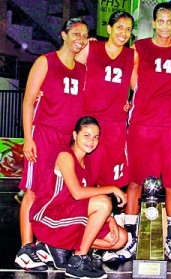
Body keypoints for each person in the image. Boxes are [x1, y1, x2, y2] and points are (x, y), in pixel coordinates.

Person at [117, 2, 171, 262]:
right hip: (142, 123)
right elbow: (130, 79)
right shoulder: (139, 48)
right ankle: (129, 237)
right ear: (153, 23)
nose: (164, 25)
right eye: (159, 21)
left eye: (168, 21)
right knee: (135, 182)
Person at [14, 18, 89, 271]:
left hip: (66, 140)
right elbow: (27, 102)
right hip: (44, 135)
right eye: (76, 33)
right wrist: (28, 138)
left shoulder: (82, 70)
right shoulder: (45, 61)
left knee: (55, 192)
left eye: (84, 35)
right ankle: (26, 247)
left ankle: (46, 244)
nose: (80, 38)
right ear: (63, 35)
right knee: (33, 189)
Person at [29, 116, 127, 279]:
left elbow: (86, 199)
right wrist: (113, 188)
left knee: (119, 238)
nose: (91, 141)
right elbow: (77, 193)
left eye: (95, 137)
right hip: (49, 218)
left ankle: (62, 248)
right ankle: (78, 260)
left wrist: (110, 219)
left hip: (71, 217)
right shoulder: (65, 156)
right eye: (86, 135)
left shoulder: (87, 163)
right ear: (75, 135)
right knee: (103, 201)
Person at [75, 11, 137, 263]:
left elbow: (140, 86)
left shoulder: (132, 55)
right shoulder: (92, 49)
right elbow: (68, 69)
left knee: (115, 180)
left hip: (115, 126)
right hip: (91, 126)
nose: (123, 32)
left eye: (128, 28)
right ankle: (82, 232)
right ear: (109, 28)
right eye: (119, 27)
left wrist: (130, 102)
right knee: (89, 178)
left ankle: (115, 235)